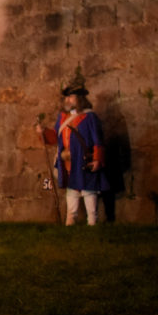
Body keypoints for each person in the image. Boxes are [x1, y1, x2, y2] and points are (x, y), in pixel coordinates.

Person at [36, 75, 109, 226]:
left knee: (89, 190)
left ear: (80, 99)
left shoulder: (90, 117)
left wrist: (97, 159)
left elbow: (97, 140)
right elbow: (56, 137)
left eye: (71, 97)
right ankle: (70, 220)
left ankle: (92, 221)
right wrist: (42, 132)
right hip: (69, 162)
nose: (68, 100)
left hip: (85, 160)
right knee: (72, 190)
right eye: (67, 97)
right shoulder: (63, 118)